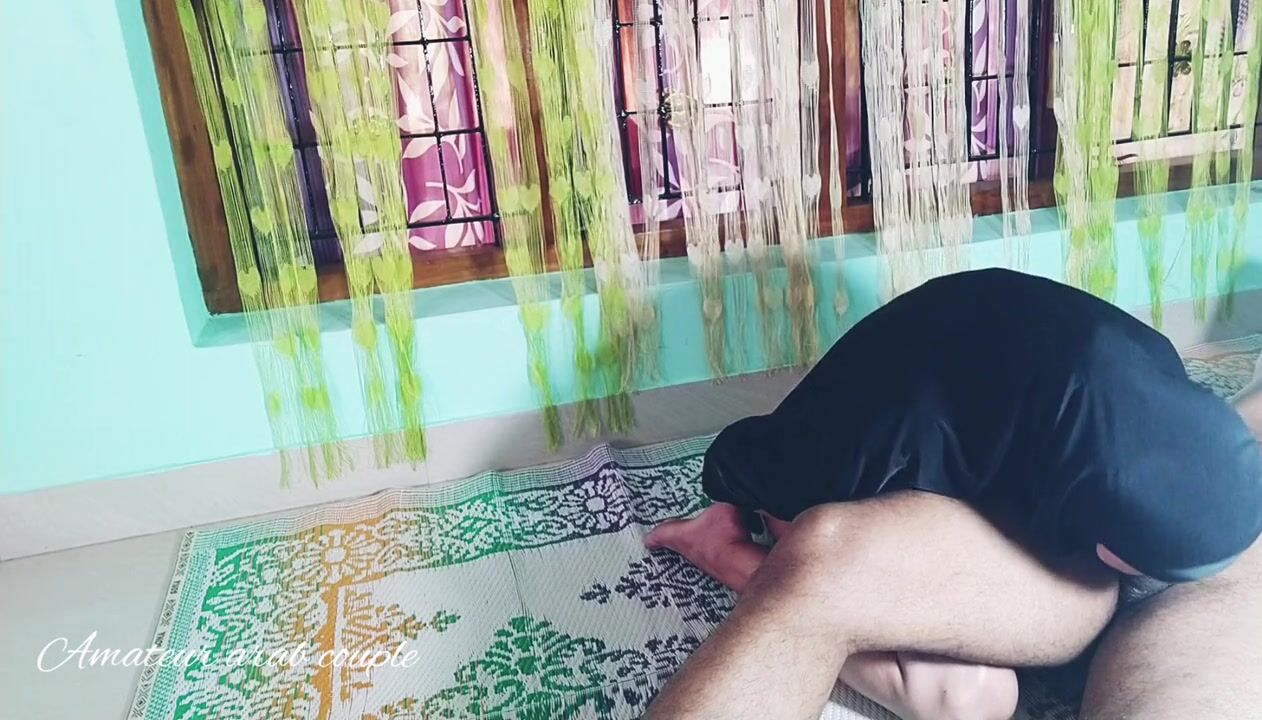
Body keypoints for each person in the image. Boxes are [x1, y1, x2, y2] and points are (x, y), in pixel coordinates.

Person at [643, 269, 1262, 720]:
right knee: (972, 696)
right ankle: (727, 552)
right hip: (848, 468)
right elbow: (787, 475)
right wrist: (741, 506)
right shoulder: (900, 436)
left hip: (1004, 459)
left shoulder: (1153, 371)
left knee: (981, 688)